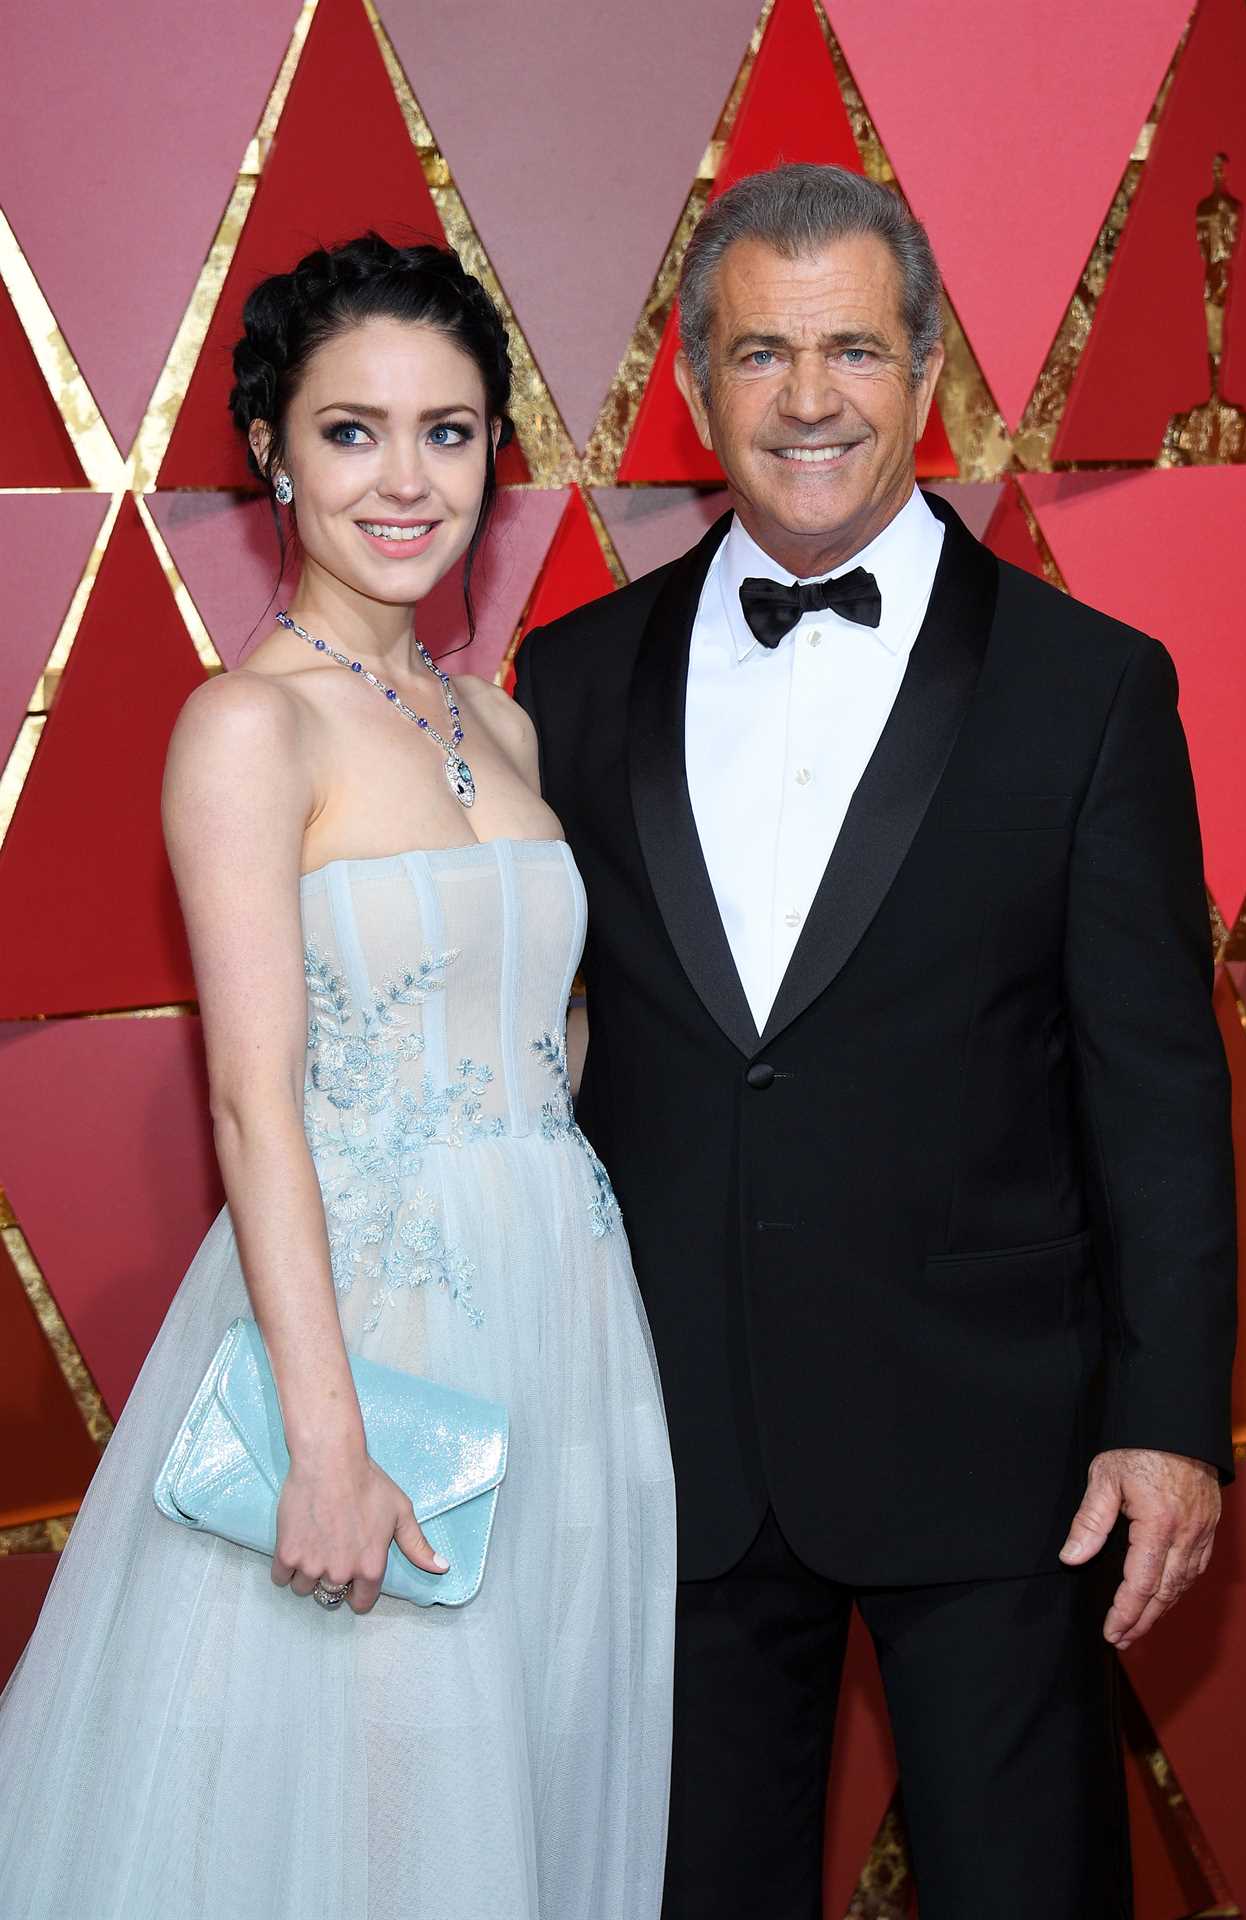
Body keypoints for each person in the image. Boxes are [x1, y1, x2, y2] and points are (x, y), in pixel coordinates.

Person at [515, 163, 1236, 1918]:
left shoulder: (1093, 686)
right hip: (668, 1435)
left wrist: (1171, 1420)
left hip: (1000, 1450)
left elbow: (1157, 1088)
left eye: (854, 348)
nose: (810, 398)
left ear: (928, 375)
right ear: (695, 389)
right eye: (763, 354)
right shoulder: (572, 677)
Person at [0, 234, 675, 1920]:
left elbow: (537, 1033)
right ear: (272, 454)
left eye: (450, 434)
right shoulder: (248, 728)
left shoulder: (499, 726)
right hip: (372, 1333)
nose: (406, 478)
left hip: (567, 1318)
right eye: (352, 430)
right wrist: (325, 1434)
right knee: (374, 1810)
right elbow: (251, 1101)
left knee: (527, 1767)